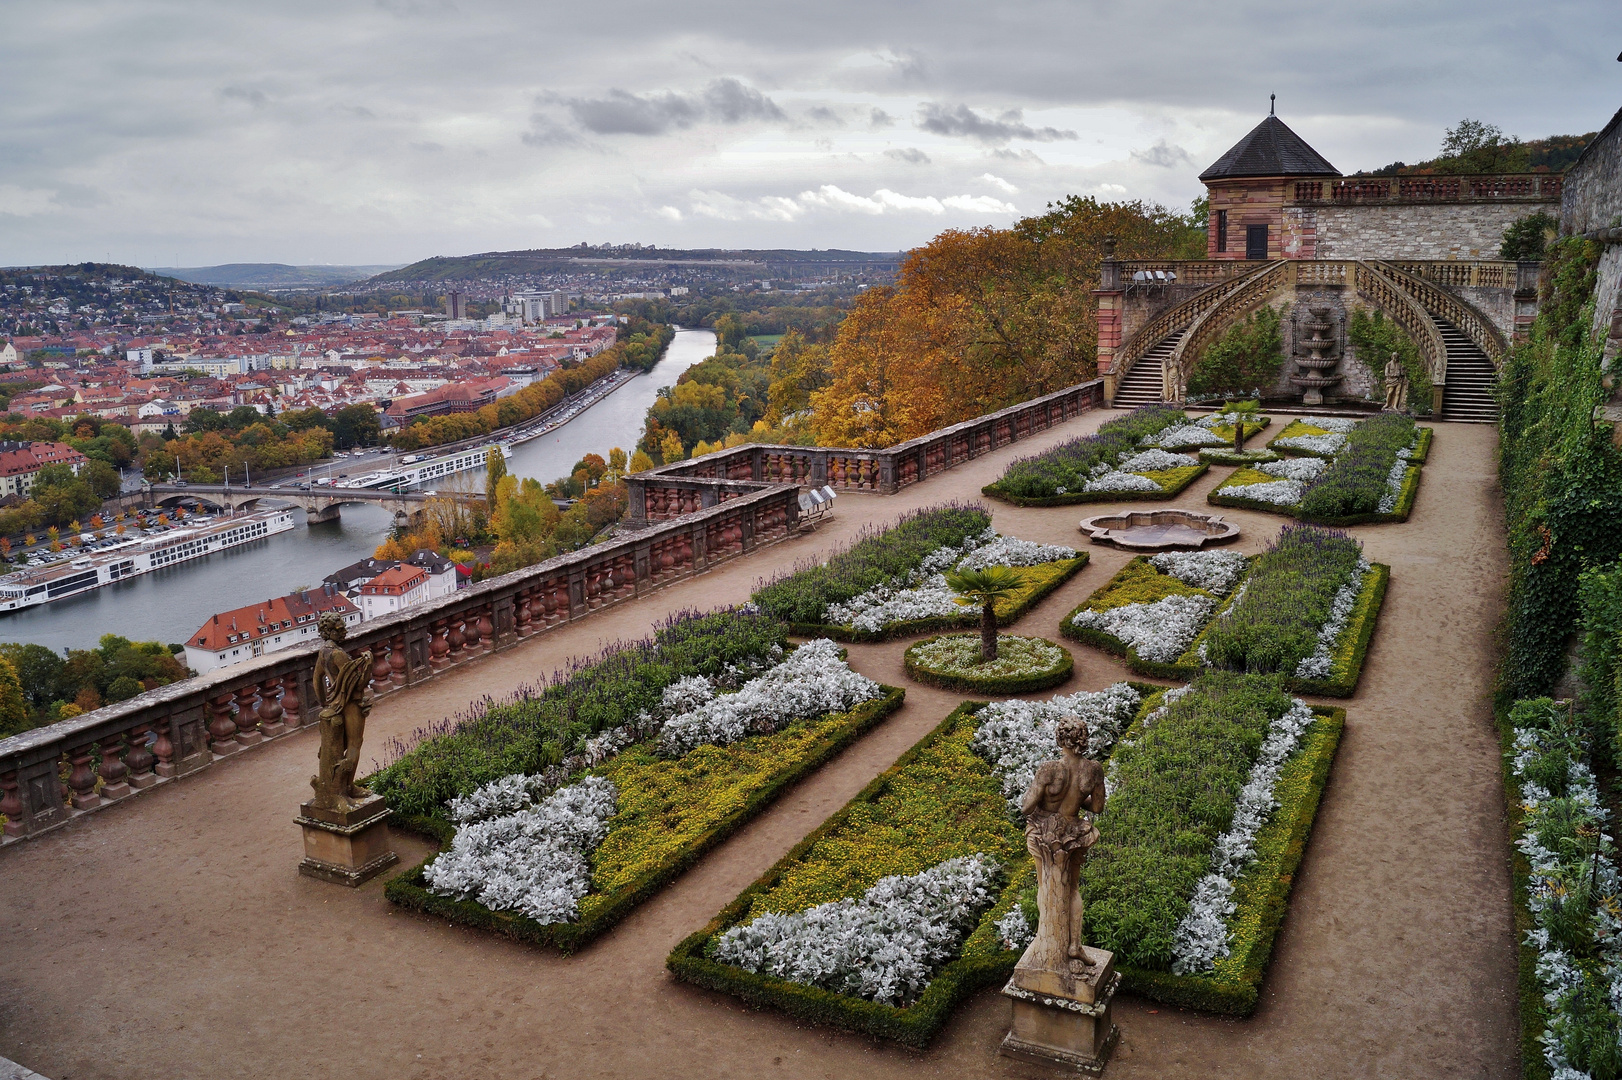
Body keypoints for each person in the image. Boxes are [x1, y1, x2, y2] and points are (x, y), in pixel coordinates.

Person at [1020, 715, 1108, 973]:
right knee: (1073, 888)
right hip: (1073, 833)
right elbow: (1098, 807)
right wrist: (1074, 801)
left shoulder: (1049, 769)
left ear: (1060, 738)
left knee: (1045, 885)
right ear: (1083, 740)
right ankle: (1074, 944)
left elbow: (1026, 807)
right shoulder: (1093, 770)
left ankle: (1045, 941)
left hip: (1044, 833)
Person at [310, 611, 374, 811]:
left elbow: (316, 681)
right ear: (329, 632)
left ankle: (341, 787)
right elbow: (358, 683)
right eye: (340, 629)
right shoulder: (338, 655)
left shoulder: (324, 653)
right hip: (351, 705)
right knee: (355, 744)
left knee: (339, 747)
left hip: (336, 705)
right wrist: (369, 662)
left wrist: (326, 703)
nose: (345, 630)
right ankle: (347, 788)